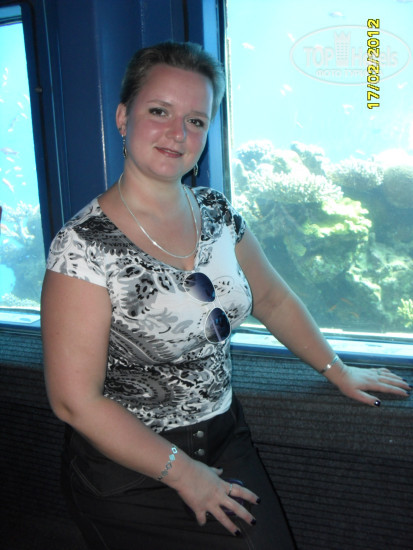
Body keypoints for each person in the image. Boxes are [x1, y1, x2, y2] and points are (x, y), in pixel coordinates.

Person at [41, 41, 410, 550]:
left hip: (223, 438)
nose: (178, 132)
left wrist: (337, 369)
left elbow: (272, 298)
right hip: (128, 469)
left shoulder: (215, 212)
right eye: (159, 111)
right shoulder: (82, 245)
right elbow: (74, 401)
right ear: (123, 117)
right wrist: (183, 474)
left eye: (195, 120)